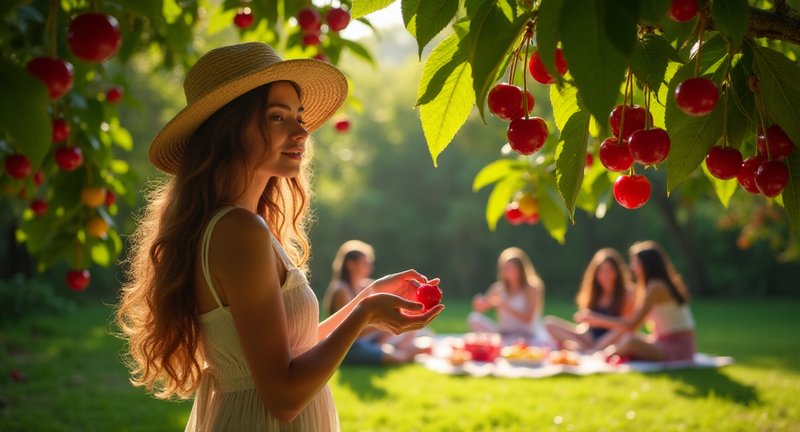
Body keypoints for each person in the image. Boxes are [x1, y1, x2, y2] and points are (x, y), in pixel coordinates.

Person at [115, 42, 443, 431]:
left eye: (299, 116)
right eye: (276, 117)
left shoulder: (235, 225)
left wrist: (366, 301)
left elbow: (290, 352)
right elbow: (283, 397)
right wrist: (363, 315)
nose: (302, 130)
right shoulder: (239, 231)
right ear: (229, 129)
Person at [576, 241, 696, 362]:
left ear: (647, 265)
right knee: (627, 338)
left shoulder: (656, 287)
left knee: (630, 341)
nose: (632, 267)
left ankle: (600, 357)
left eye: (636, 263)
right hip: (660, 341)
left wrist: (596, 320)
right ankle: (600, 355)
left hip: (677, 348)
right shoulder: (651, 287)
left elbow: (632, 324)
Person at [322, 240, 425, 365]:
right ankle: (407, 353)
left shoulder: (363, 285)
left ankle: (403, 349)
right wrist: (381, 323)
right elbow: (350, 331)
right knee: (394, 355)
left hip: (364, 340)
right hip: (348, 346)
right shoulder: (341, 290)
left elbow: (385, 292)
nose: (370, 268)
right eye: (365, 263)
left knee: (410, 332)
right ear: (350, 264)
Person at [544, 248, 635, 351]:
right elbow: (588, 325)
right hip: (589, 336)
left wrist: (597, 320)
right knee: (549, 323)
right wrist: (584, 319)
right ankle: (582, 348)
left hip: (613, 337)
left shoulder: (627, 292)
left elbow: (627, 324)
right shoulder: (594, 292)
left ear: (617, 272)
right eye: (601, 271)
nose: (605, 275)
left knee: (620, 331)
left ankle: (590, 349)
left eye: (609, 270)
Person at [468, 247, 545, 341]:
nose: (507, 271)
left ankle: (505, 343)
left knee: (517, 341)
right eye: (505, 268)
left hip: (526, 334)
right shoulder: (498, 288)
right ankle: (501, 342)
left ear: (520, 269)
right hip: (504, 333)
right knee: (474, 318)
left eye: (510, 268)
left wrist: (505, 305)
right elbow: (482, 307)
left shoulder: (531, 288)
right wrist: (479, 303)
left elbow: (528, 318)